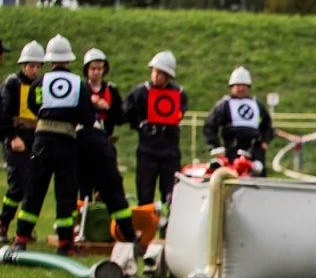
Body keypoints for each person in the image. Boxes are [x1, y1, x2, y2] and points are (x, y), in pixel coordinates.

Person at [11, 36, 95, 252]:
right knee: (66, 192)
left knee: (35, 189)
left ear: (49, 60)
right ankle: (65, 243)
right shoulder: (78, 83)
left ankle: (21, 237)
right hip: (66, 142)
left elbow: (33, 103)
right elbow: (87, 116)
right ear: (68, 59)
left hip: (41, 142)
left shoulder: (40, 82)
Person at [76, 47, 137, 244]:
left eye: (100, 68)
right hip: (84, 144)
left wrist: (108, 108)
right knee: (84, 186)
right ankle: (82, 226)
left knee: (110, 186)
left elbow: (121, 117)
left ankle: (111, 227)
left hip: (105, 143)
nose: (96, 72)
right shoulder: (80, 89)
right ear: (87, 70)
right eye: (93, 68)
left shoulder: (111, 90)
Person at [122, 51, 187, 207]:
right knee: (145, 192)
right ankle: (146, 228)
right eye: (155, 71)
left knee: (171, 192)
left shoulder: (178, 93)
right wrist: (139, 124)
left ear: (168, 76)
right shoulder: (140, 93)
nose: (156, 75)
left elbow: (179, 113)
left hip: (170, 147)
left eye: (160, 73)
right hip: (148, 148)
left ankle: (169, 228)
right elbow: (124, 112)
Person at [202, 67, 278, 174]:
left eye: (244, 85)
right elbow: (209, 126)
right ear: (231, 87)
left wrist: (265, 141)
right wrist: (216, 147)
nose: (241, 88)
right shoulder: (224, 105)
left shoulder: (257, 104)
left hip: (254, 152)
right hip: (231, 151)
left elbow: (267, 124)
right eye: (238, 85)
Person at [0, 37, 37, 240]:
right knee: (17, 186)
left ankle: (24, 230)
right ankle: (3, 223)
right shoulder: (12, 84)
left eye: (38, 66)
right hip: (16, 139)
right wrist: (12, 137)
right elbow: (3, 114)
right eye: (31, 66)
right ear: (23, 65)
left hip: (34, 139)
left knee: (32, 187)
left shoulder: (40, 84)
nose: (34, 70)